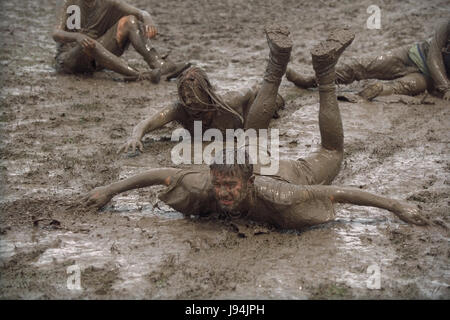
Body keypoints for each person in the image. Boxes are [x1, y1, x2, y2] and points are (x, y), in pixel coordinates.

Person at [85, 29, 429, 230]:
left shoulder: (281, 196)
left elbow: (338, 194)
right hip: (246, 152)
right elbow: (158, 174)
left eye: (230, 187)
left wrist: (395, 205)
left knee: (331, 153)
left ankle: (325, 73)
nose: (223, 194)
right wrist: (109, 190)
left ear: (248, 183)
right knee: (249, 137)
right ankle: (279, 63)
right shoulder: (208, 182)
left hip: (291, 172)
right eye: (220, 186)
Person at [117, 24, 291, 154]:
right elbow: (146, 123)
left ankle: (290, 76)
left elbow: (250, 91)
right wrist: (135, 137)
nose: (190, 103)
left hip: (258, 107)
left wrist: (248, 123)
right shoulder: (181, 108)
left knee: (277, 102)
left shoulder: (228, 102)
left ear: (207, 94)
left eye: (194, 98)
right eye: (186, 99)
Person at [286, 19, 450, 101]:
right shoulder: (447, 25)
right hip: (414, 54)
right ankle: (311, 80)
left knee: (406, 86)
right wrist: (446, 88)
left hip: (429, 78)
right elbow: (434, 55)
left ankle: (369, 94)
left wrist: (441, 86)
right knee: (363, 65)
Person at [52, 0, 190, 82]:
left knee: (129, 21)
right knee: (88, 43)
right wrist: (77, 37)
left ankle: (159, 64)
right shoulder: (67, 2)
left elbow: (140, 13)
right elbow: (56, 33)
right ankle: (139, 76)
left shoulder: (106, 2)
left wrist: (148, 19)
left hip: (96, 56)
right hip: (69, 59)